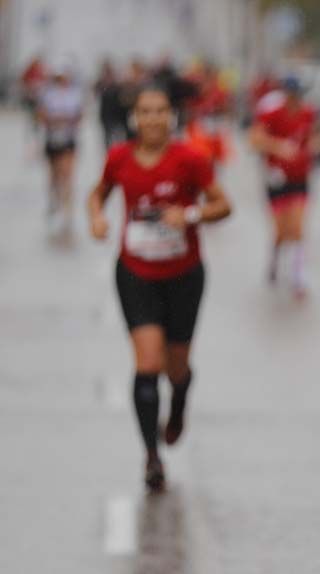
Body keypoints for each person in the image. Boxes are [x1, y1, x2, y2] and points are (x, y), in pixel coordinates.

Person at [87, 85, 232, 492]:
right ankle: (151, 456)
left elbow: (224, 204)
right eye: (145, 112)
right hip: (136, 273)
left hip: (184, 275)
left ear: (172, 116)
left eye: (160, 111)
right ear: (135, 118)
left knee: (177, 365)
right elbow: (97, 195)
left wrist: (189, 214)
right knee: (147, 362)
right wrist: (97, 219)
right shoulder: (119, 157)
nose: (152, 119)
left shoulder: (190, 159)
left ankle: (180, 400)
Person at [249, 77, 320, 298]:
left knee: (298, 227)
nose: (295, 100)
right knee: (281, 230)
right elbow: (254, 138)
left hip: (300, 178)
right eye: (292, 96)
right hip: (276, 178)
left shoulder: (309, 113)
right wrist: (278, 146)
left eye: (298, 96)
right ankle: (275, 258)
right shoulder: (272, 113)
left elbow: (318, 136)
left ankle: (298, 276)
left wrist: (315, 146)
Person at [37, 65, 84, 236]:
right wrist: (54, 120)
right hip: (52, 139)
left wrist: (67, 120)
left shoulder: (74, 94)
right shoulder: (48, 94)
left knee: (68, 174)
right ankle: (53, 200)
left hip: (68, 139)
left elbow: (79, 115)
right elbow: (41, 115)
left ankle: (67, 208)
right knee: (54, 174)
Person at [95, 59, 125, 150]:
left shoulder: (117, 86)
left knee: (117, 141)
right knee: (107, 142)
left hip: (115, 119)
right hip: (106, 119)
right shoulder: (101, 84)